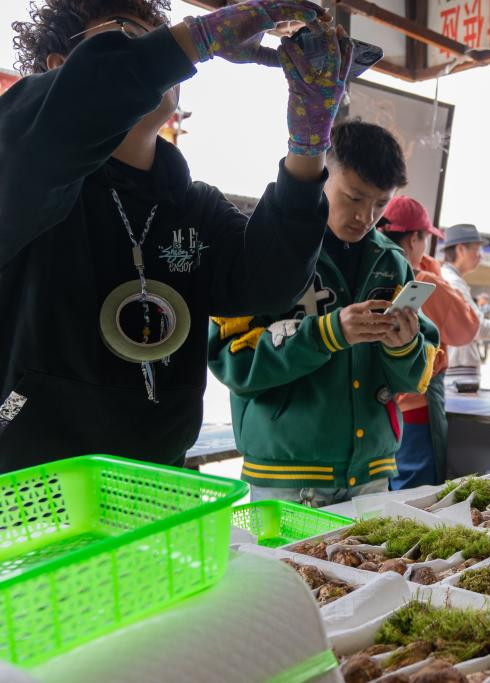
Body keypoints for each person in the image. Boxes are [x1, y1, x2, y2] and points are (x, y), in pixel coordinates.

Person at [0, 0, 345, 472]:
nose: (153, 51)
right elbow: (31, 133)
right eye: (126, 34)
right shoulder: (28, 181)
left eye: (157, 38)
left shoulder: (195, 206)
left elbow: (271, 282)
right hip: (30, 486)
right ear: (59, 68)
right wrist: (196, 37)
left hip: (161, 481)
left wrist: (308, 147)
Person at [209, 122, 440, 506]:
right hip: (288, 476)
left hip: (372, 472)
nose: (366, 216)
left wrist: (403, 346)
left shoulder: (392, 262)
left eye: (380, 204)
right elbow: (234, 363)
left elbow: (415, 379)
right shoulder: (267, 247)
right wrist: (327, 334)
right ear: (319, 177)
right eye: (354, 197)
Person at [377, 196, 479, 489]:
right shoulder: (423, 281)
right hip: (415, 407)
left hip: (373, 411)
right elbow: (467, 328)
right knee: (414, 495)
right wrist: (434, 274)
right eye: (424, 239)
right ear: (414, 239)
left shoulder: (369, 273)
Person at [443, 224, 490, 391]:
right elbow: (477, 327)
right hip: (459, 375)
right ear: (461, 249)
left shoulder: (448, 278)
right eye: (476, 249)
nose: (480, 255)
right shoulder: (453, 283)